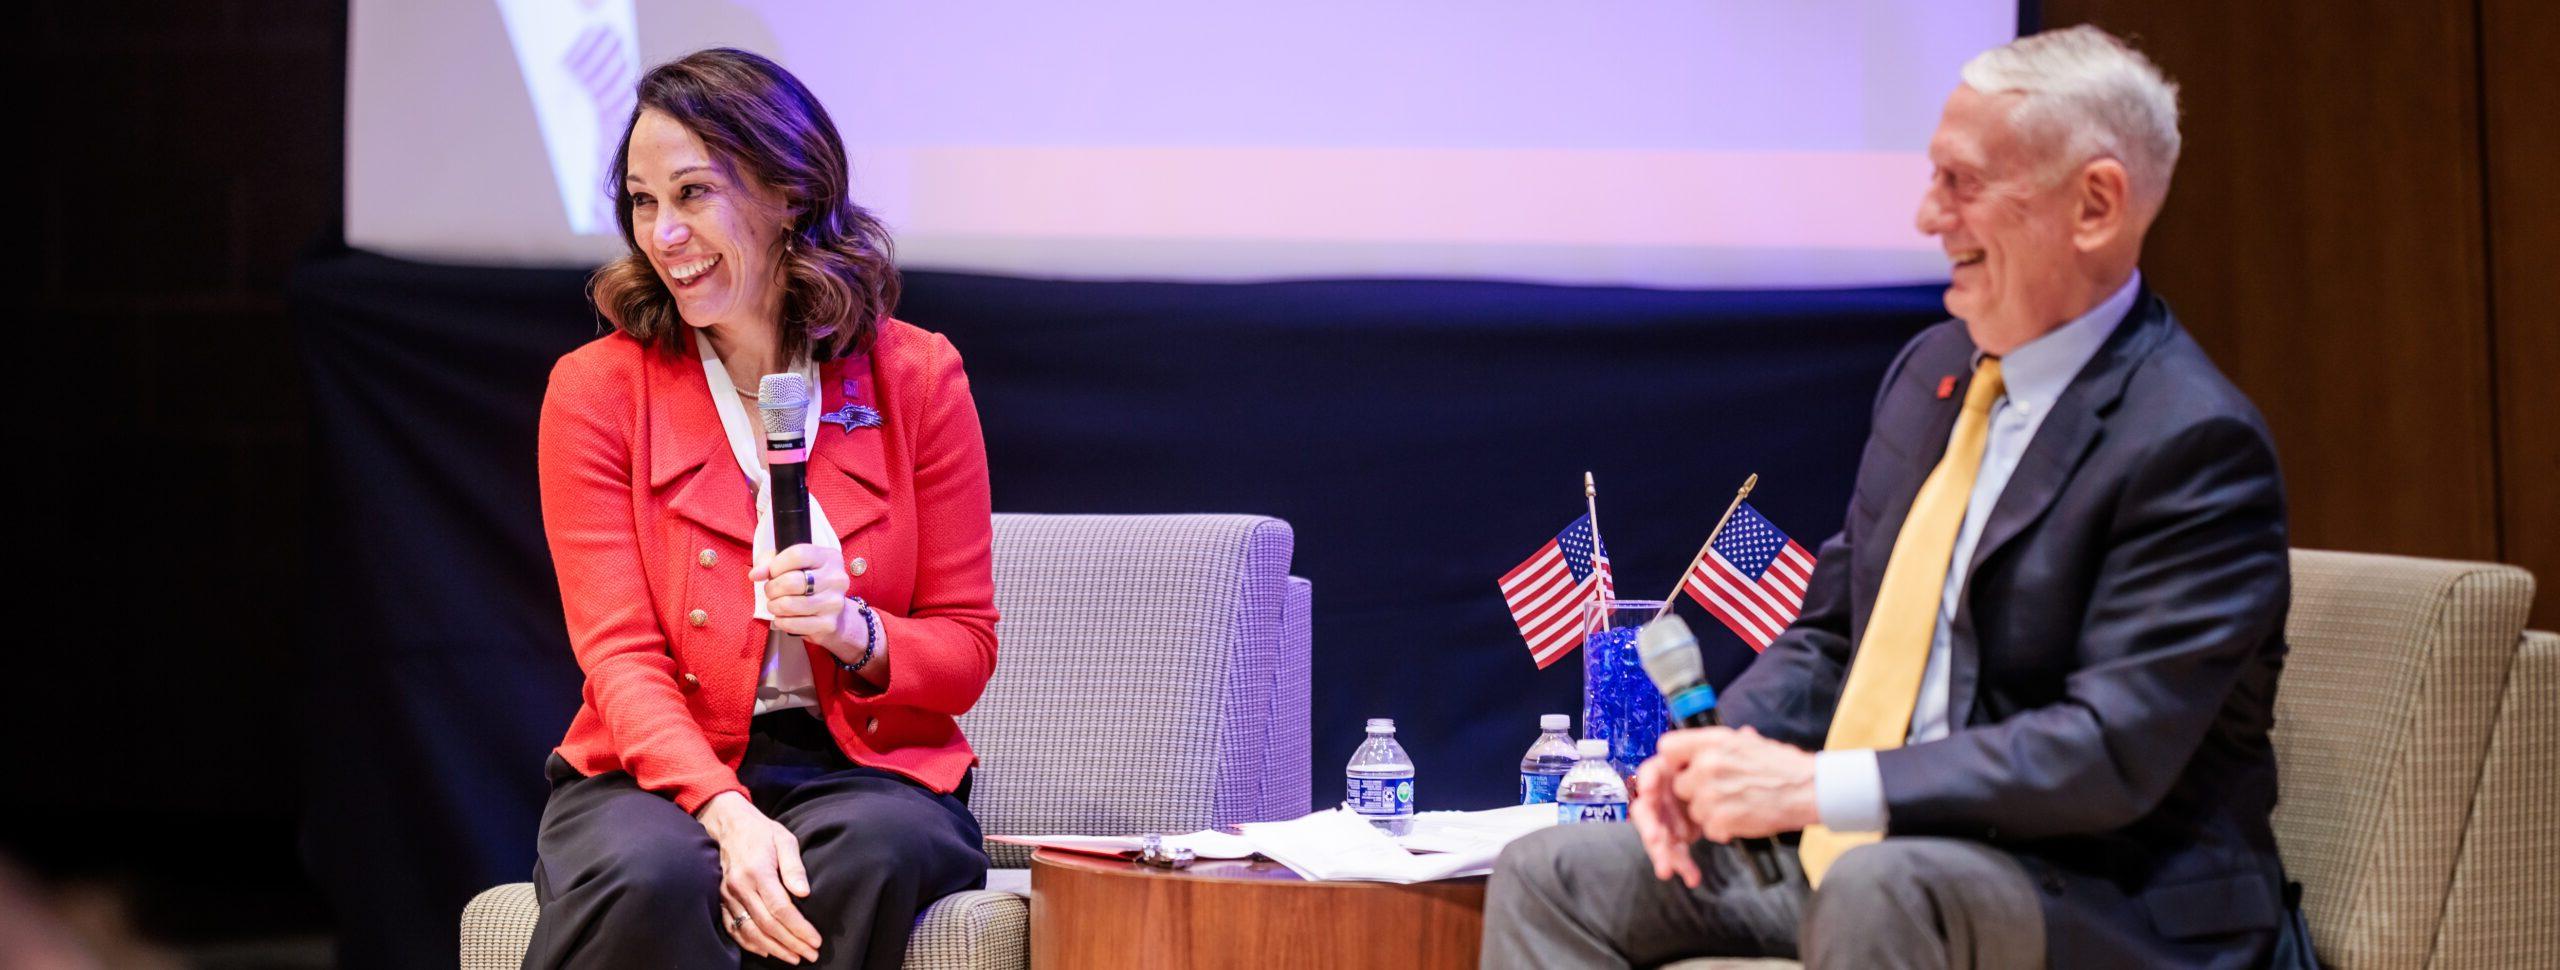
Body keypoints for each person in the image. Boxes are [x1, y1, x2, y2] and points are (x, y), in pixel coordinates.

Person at [1485, 26, 2311, 970]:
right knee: (1553, 871)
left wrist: (1817, 787)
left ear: (2095, 205)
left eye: (1962, 183)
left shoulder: (2193, 442)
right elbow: (1836, 638)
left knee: (1883, 890)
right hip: (1881, 858)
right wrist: (1719, 758)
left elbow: (2105, 752)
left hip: (2104, 895)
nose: (1928, 216)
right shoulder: (1932, 376)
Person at [522, 48, 997, 970]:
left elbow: (965, 648)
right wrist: (724, 810)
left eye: (692, 194)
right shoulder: (595, 389)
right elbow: (618, 657)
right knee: (659, 871)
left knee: (872, 854)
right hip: (651, 775)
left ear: (789, 191)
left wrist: (856, 632)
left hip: (859, 772)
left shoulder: (917, 376)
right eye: (642, 201)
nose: (662, 233)